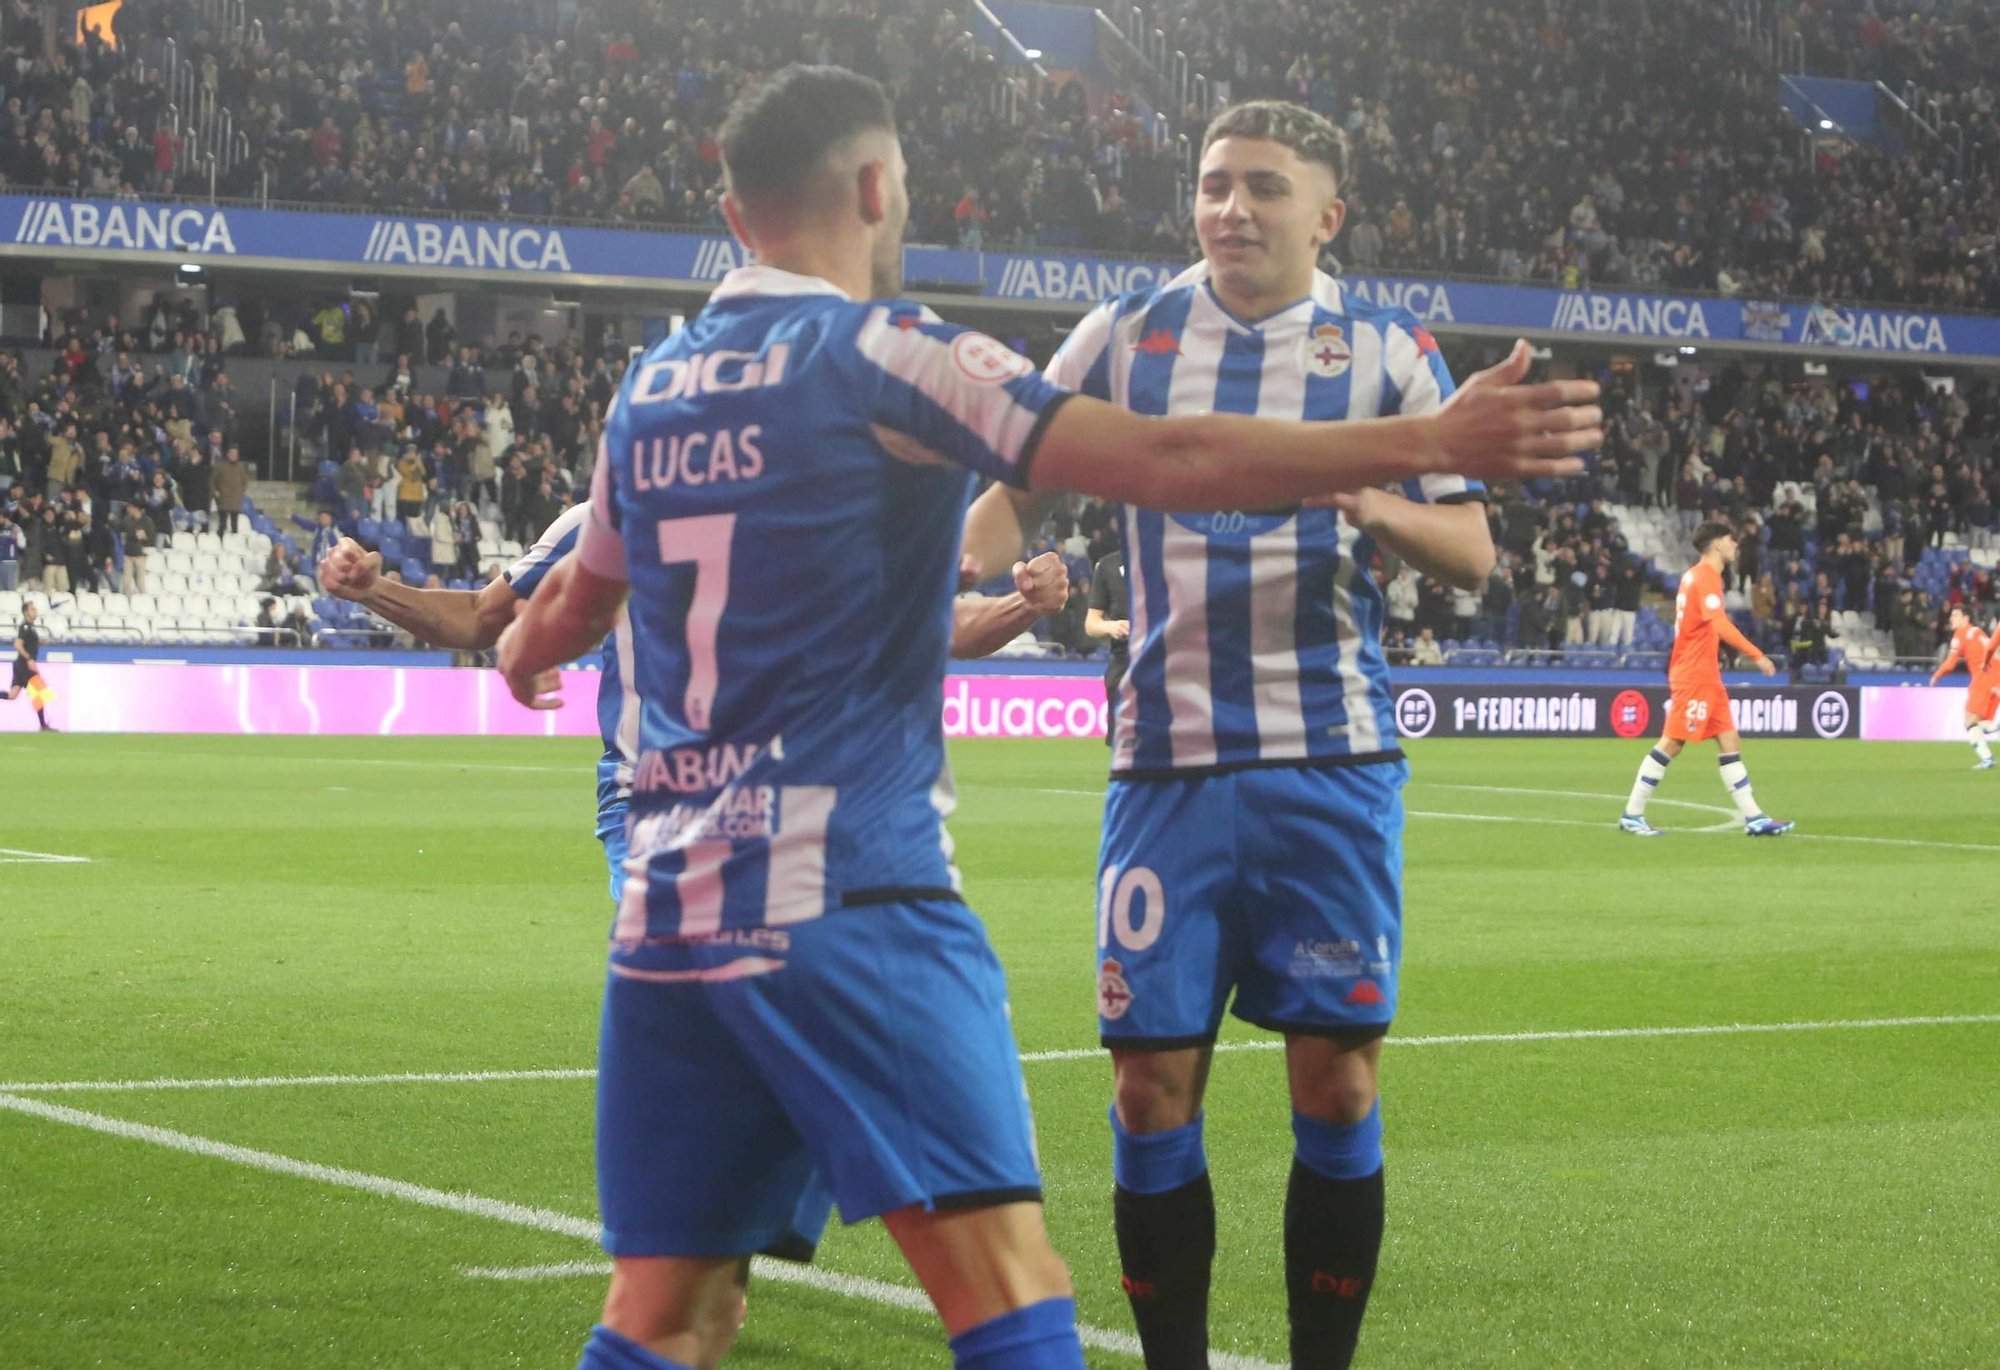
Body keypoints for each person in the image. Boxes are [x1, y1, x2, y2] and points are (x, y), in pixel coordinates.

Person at [492, 67, 1595, 1370]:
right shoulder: (900, 354)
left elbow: (563, 605)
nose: (1229, 209)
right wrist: (1418, 437)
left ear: (733, 214)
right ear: (876, 188)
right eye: (1214, 183)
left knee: (661, 1309)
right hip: (853, 892)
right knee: (1014, 1295)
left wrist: (517, 651)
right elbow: (1168, 460)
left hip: (667, 914)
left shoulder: (649, 393)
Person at [1017, 99, 1523, 1370]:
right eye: (1210, 185)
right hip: (1164, 769)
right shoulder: (1125, 335)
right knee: (1146, 1093)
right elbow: (1005, 480)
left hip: (1327, 766)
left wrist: (1364, 492)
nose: (1229, 207)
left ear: (1326, 214)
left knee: (1336, 1087)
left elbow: (1471, 551)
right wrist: (989, 559)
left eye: (1261, 187)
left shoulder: (1386, 353)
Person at [1620, 519, 1794, 836]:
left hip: (1707, 674)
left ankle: (1754, 817)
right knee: (1672, 742)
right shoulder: (1705, 576)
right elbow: (1719, 623)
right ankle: (1632, 813)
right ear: (1717, 543)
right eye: (1731, 540)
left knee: (1729, 740)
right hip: (1694, 674)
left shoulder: (1695, 576)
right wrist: (1757, 654)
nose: (1735, 545)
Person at [1927, 606, 2000, 769]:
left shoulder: (1959, 634)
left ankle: (1987, 759)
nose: (1951, 618)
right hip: (1997, 676)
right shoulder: (1979, 632)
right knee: (1982, 724)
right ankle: (1988, 756)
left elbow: (1951, 663)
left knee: (1970, 721)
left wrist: (1936, 676)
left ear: (1965, 618)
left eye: (1955, 615)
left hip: (1983, 677)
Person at [1084, 548, 1128, 746]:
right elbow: (1091, 624)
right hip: (1124, 661)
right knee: (1122, 743)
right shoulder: (1108, 565)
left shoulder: (1168, 559)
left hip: (1162, 660)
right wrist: (1111, 626)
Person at [5, 601, 54, 730]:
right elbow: (18, 645)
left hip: (20, 666)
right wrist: (29, 659)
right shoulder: (25, 627)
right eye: (32, 609)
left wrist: (40, 642)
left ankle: (43, 725)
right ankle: (43, 725)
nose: (35, 611)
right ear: (26, 612)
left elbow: (28, 643)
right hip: (24, 665)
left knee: (12, 695)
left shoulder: (30, 627)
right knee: (39, 692)